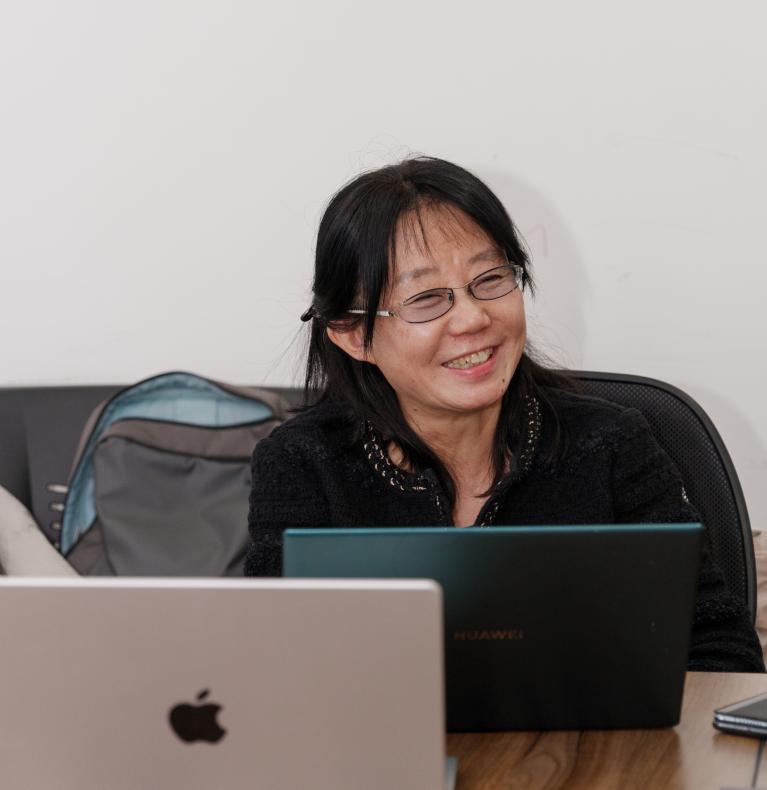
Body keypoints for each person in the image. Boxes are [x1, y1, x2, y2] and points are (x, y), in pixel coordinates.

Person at [245, 156, 764, 673]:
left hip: (593, 730)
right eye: (426, 299)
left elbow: (721, 653)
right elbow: (271, 671)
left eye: (490, 279)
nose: (473, 318)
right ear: (353, 334)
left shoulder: (610, 443)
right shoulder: (304, 462)